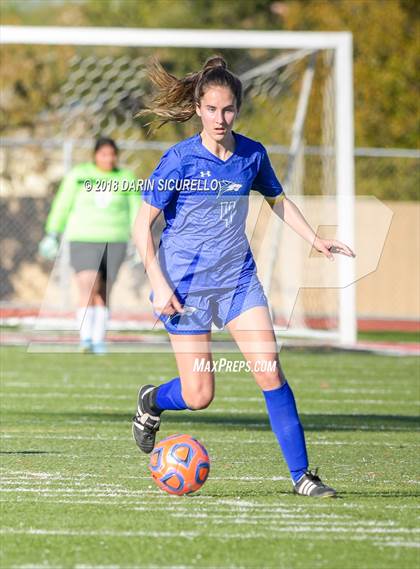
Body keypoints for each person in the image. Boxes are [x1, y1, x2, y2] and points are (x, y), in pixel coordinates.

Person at [132, 57, 355, 497]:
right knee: (199, 395)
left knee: (269, 371)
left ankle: (302, 476)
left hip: (237, 282)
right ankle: (152, 400)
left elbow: (278, 199)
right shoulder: (179, 161)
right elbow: (142, 226)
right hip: (184, 286)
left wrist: (315, 238)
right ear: (198, 107)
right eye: (212, 109)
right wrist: (157, 282)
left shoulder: (252, 155)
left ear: (238, 109)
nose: (220, 118)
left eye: (228, 109)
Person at [39, 137, 141, 354]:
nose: (108, 159)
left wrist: (141, 243)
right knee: (87, 285)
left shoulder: (126, 178)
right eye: (103, 154)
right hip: (83, 238)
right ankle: (85, 338)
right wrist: (53, 233)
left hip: (115, 240)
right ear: (95, 155)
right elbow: (63, 204)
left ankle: (99, 339)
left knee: (104, 291)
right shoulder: (79, 176)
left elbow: (136, 211)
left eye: (112, 154)